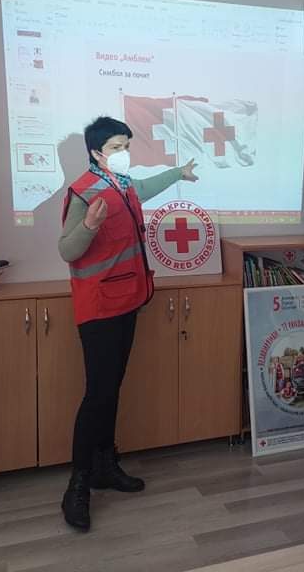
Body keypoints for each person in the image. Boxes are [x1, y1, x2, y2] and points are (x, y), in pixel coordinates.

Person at [57, 116, 198, 532]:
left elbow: (145, 188)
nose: (125, 153)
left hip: (128, 300)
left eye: (127, 146)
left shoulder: (121, 184)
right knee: (98, 395)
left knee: (111, 389)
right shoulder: (84, 191)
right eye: (117, 147)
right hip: (99, 307)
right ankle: (78, 484)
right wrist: (89, 226)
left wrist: (178, 173)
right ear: (96, 152)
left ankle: (105, 465)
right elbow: (67, 250)